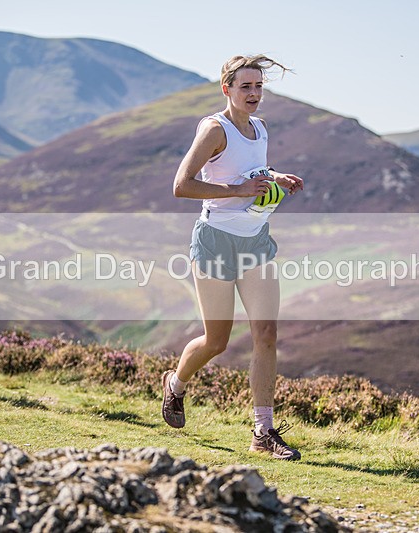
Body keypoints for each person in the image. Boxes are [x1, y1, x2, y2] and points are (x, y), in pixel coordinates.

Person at [162, 55, 304, 460]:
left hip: (256, 242)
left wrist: (276, 178)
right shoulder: (214, 129)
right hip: (215, 243)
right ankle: (176, 383)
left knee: (266, 334)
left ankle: (263, 431)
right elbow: (181, 186)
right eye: (246, 87)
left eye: (259, 87)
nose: (254, 94)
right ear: (227, 89)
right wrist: (239, 192)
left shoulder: (259, 127)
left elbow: (251, 168)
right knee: (217, 341)